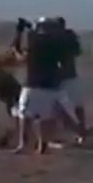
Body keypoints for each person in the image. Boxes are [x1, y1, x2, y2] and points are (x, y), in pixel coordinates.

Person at [13, 17, 64, 154]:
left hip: (33, 83)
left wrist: (19, 32)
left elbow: (20, 55)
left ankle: (23, 144)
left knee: (24, 114)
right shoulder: (56, 43)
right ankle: (42, 144)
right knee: (44, 117)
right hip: (50, 84)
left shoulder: (35, 42)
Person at [54, 16, 87, 138]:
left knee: (58, 108)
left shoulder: (56, 38)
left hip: (61, 77)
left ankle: (78, 130)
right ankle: (80, 129)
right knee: (76, 105)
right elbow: (78, 52)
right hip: (70, 75)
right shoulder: (69, 36)